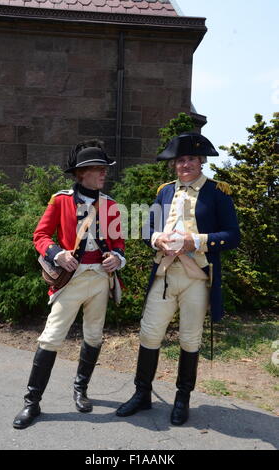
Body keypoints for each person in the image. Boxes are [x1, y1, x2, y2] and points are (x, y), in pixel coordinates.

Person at [116, 132, 240, 425]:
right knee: (149, 333)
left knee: (189, 338)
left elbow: (233, 236)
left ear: (201, 163)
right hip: (165, 273)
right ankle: (142, 394)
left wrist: (195, 241)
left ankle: (182, 398)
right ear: (175, 165)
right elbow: (147, 228)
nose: (186, 165)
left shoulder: (218, 193)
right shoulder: (165, 192)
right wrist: (157, 238)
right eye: (181, 160)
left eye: (192, 160)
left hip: (196, 278)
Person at [13, 140, 125, 429]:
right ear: (82, 173)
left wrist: (117, 258)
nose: (104, 174)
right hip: (71, 279)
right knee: (50, 337)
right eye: (99, 169)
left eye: (104, 169)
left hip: (100, 278)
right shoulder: (60, 200)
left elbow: (118, 244)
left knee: (94, 335)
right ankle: (32, 402)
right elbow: (40, 236)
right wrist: (57, 253)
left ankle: (81, 389)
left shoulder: (111, 205)